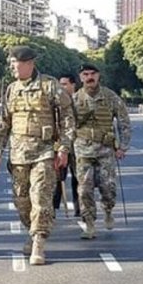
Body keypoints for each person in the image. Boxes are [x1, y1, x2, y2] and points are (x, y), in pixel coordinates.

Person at [0, 46, 74, 265]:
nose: (13, 68)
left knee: (41, 198)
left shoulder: (49, 85)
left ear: (29, 63)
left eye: (16, 64)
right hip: (18, 155)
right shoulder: (11, 89)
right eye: (11, 64)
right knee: (21, 200)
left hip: (44, 153)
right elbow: (3, 122)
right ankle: (32, 229)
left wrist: (63, 148)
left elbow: (67, 117)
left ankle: (39, 241)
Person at [73, 64, 131, 239]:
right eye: (85, 74)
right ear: (81, 77)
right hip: (83, 150)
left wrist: (122, 147)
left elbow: (124, 122)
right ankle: (89, 224)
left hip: (105, 150)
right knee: (84, 189)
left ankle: (108, 209)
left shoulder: (110, 97)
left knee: (108, 187)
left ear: (98, 76)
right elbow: (66, 125)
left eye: (93, 74)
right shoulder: (75, 99)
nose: (89, 77)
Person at [53, 73, 80, 217]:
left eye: (64, 84)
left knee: (79, 177)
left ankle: (79, 209)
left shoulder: (80, 100)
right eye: (60, 84)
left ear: (73, 85)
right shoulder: (56, 102)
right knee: (56, 177)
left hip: (78, 145)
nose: (61, 87)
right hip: (61, 144)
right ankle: (52, 208)